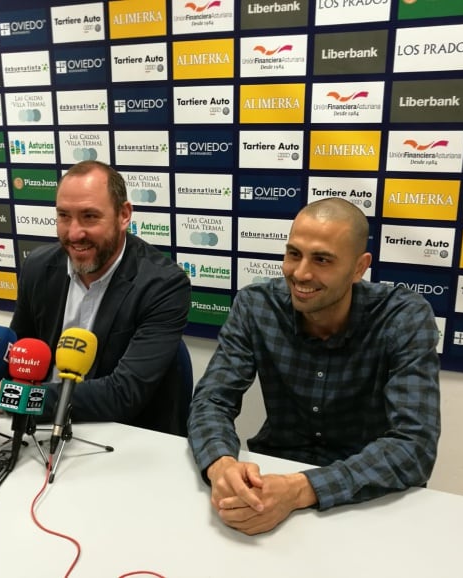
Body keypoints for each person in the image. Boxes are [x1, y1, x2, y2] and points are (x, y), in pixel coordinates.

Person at [187, 197, 441, 535]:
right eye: (294, 254)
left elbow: (415, 444)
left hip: (368, 499)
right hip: (270, 482)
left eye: (322, 260)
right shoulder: (255, 306)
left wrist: (299, 489)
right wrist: (221, 465)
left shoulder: (404, 317)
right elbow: (210, 402)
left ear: (358, 267)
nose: (301, 273)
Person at [0, 160, 191, 435]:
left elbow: (122, 395)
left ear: (124, 215)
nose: (74, 233)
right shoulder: (38, 267)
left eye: (90, 216)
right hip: (39, 430)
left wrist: (14, 399)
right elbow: (17, 353)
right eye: (64, 216)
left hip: (122, 437)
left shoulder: (163, 285)